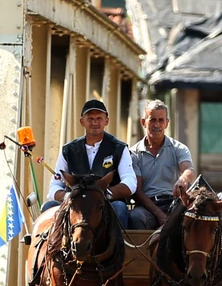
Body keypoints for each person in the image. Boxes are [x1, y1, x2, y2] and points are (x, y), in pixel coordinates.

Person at [42, 99, 136, 228]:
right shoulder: (69, 150)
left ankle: (121, 247)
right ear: (82, 121)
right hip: (74, 204)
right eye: (90, 119)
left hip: (106, 204)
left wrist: (106, 194)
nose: (95, 122)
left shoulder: (119, 148)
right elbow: (55, 185)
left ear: (106, 121)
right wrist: (68, 196)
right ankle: (52, 247)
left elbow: (130, 182)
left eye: (99, 118)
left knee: (119, 207)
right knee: (48, 207)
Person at [127, 99, 196, 230]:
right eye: (152, 120)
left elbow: (189, 170)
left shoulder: (179, 148)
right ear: (143, 122)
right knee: (136, 217)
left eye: (161, 120)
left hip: (174, 203)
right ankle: (142, 251)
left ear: (167, 123)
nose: (157, 124)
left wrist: (183, 179)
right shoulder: (133, 154)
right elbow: (137, 192)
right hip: (148, 207)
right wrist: (159, 214)